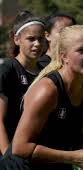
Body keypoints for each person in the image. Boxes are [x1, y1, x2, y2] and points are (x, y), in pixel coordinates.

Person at [2, 25, 83, 170]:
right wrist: (73, 158)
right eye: (81, 51)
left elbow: (76, 139)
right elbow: (20, 148)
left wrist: (80, 165)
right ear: (64, 56)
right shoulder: (47, 90)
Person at [0, 10, 45, 156]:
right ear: (17, 39)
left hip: (34, 153)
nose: (37, 44)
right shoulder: (7, 70)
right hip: (10, 155)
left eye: (41, 39)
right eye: (31, 39)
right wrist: (7, 156)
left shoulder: (46, 72)